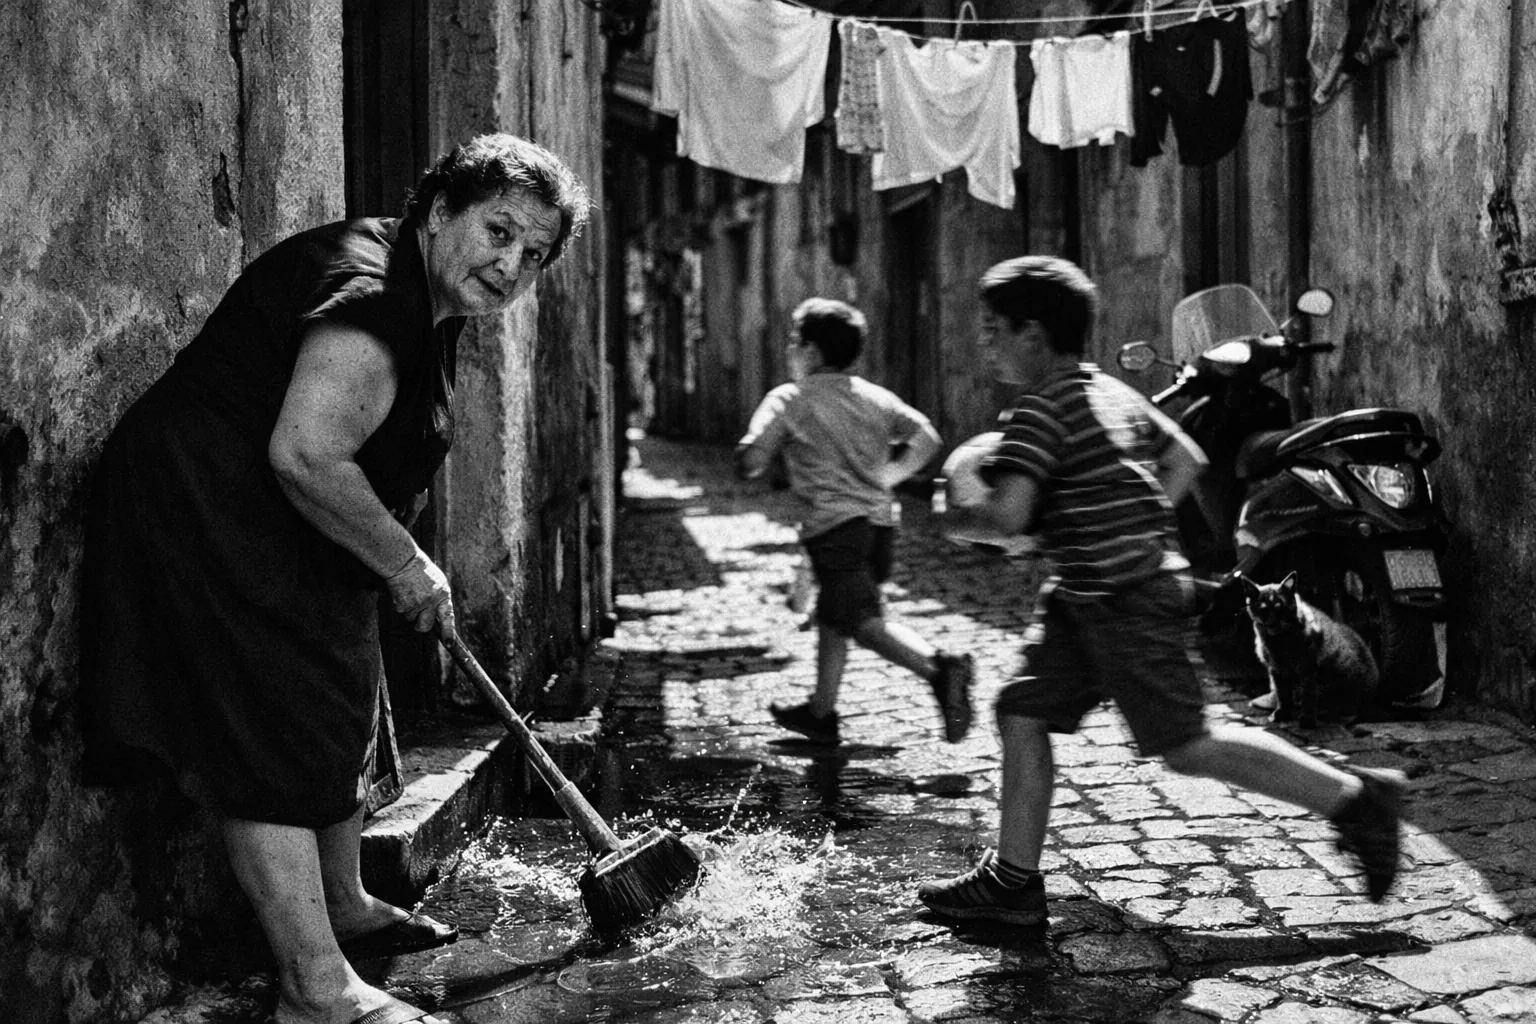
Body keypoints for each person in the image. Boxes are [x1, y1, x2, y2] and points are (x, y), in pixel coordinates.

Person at [80, 134, 590, 1024]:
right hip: (212, 501)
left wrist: (385, 557)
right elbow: (309, 455)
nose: (512, 266)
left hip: (286, 512)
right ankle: (315, 989)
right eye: (498, 231)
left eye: (534, 253)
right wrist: (404, 560)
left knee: (340, 674)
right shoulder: (375, 304)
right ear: (441, 212)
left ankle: (344, 901)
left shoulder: (429, 293)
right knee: (267, 720)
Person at [916, 256, 1405, 925]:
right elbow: (1183, 459)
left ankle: (1356, 799)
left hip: (1123, 600)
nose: (984, 342)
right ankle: (1013, 881)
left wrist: (950, 517)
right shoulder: (1114, 393)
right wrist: (1134, 526)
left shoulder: (1037, 411)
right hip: (1085, 596)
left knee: (1187, 744)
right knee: (1022, 709)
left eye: (992, 328)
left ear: (1032, 334)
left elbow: (1005, 516)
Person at [735, 298, 975, 746]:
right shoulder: (875, 397)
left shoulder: (790, 398)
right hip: (880, 527)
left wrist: (751, 458)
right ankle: (821, 712)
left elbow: (753, 458)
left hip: (835, 528)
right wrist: (888, 477)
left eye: (793, 342)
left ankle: (940, 668)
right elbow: (927, 438)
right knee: (834, 614)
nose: (789, 351)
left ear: (810, 351)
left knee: (861, 620)